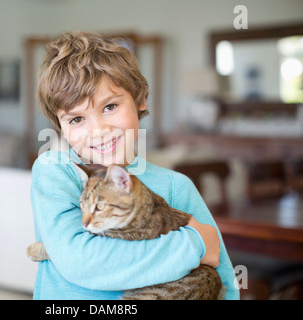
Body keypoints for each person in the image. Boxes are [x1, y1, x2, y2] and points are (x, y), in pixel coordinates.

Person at [31, 31, 239, 300]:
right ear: (59, 126)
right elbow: (79, 261)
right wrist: (195, 244)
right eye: (76, 119)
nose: (99, 130)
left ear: (140, 100)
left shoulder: (176, 186)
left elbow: (226, 285)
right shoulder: (56, 169)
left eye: (110, 106)